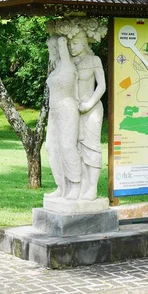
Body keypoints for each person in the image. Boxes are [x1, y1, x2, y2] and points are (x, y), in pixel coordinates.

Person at [69, 29, 106, 201]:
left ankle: (92, 187)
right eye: (70, 44)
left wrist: (90, 103)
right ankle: (81, 186)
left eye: (75, 43)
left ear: (84, 43)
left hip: (92, 109)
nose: (71, 47)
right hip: (74, 109)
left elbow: (102, 85)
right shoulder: (69, 63)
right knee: (77, 148)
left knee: (92, 147)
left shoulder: (94, 60)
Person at [44, 35, 82, 200]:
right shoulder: (57, 67)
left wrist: (62, 37)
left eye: (52, 48)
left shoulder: (67, 64)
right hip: (54, 111)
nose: (50, 51)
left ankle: (75, 184)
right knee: (51, 147)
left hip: (67, 108)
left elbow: (61, 43)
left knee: (67, 146)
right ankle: (61, 185)